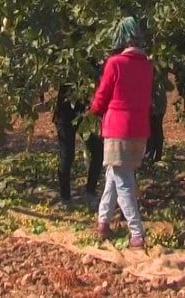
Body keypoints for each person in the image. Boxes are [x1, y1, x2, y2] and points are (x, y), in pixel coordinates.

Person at [90, 17, 154, 249]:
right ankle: (103, 223)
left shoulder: (115, 63)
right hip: (139, 129)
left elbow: (103, 94)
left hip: (118, 129)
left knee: (124, 180)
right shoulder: (147, 65)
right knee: (114, 176)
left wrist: (95, 109)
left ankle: (137, 233)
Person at [54, 84, 104, 205]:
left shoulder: (93, 66)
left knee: (97, 150)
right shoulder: (66, 68)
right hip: (65, 116)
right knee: (67, 155)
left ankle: (90, 192)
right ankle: (65, 197)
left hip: (84, 115)